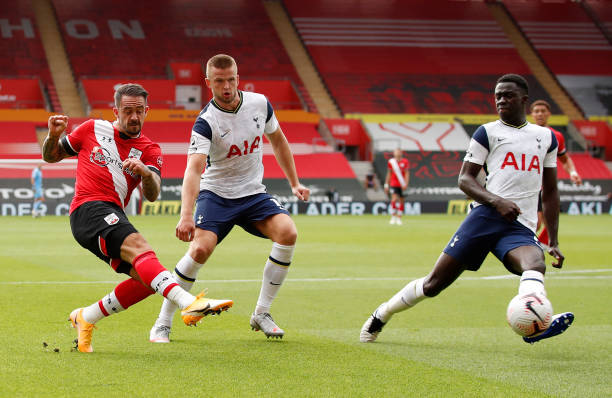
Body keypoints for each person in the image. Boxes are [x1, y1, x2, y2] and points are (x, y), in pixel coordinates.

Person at [360, 74, 574, 344]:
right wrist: (496, 201)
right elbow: (465, 179)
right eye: (497, 95)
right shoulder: (487, 132)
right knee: (432, 285)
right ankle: (382, 314)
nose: (501, 100)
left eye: (507, 95)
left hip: (519, 224)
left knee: (535, 265)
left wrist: (553, 239)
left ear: (524, 99)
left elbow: (551, 190)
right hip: (484, 217)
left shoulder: (547, 138)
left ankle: (535, 324)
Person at [42, 83, 233, 353]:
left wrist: (145, 173)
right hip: (88, 208)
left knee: (148, 281)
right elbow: (51, 156)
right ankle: (187, 301)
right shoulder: (91, 129)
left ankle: (87, 316)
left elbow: (152, 193)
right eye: (128, 111)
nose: (134, 117)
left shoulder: (150, 149)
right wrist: (53, 136)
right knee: (142, 249)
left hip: (113, 213)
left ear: (147, 111)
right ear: (116, 111)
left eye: (139, 111)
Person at [149, 54, 310, 342]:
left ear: (238, 77)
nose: (227, 86)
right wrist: (186, 215)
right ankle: (162, 322)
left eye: (231, 79)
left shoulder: (259, 103)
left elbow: (279, 141)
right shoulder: (205, 122)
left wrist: (294, 183)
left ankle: (262, 313)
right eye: (220, 81)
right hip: (217, 195)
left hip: (252, 193)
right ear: (208, 83)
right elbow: (193, 170)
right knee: (200, 250)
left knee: (288, 233)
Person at [530, 100, 582, 246]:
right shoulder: (525, 133)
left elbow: (565, 160)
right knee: (536, 223)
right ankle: (529, 249)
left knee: (549, 221)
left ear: (549, 114)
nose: (540, 114)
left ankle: (540, 248)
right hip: (528, 184)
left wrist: (573, 172)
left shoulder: (556, 136)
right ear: (532, 114)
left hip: (546, 185)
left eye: (543, 111)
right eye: (537, 111)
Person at [384, 148, 409, 225]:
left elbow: (407, 173)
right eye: (396, 151)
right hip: (393, 183)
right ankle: (393, 217)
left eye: (398, 151)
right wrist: (386, 184)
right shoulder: (391, 162)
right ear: (394, 153)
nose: (397, 153)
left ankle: (399, 218)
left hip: (402, 184)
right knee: (394, 199)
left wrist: (406, 183)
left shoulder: (405, 162)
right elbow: (389, 173)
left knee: (401, 200)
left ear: (401, 153)